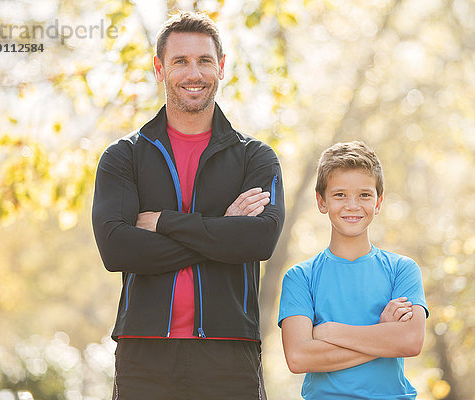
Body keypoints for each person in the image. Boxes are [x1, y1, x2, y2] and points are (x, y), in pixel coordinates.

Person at [92, 11, 284, 400]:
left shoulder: (256, 158)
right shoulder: (123, 156)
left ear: (222, 67)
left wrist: (162, 222)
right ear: (160, 69)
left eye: (204, 61)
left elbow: (259, 240)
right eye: (180, 61)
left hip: (230, 351)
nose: (193, 72)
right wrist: (222, 229)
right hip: (143, 352)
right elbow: (116, 249)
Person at [278, 141, 428, 399]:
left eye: (364, 195)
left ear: (378, 202)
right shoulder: (300, 277)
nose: (352, 205)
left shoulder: (402, 270)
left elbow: (410, 342)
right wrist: (384, 336)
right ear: (321, 201)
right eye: (339, 195)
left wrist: (328, 331)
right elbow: (298, 357)